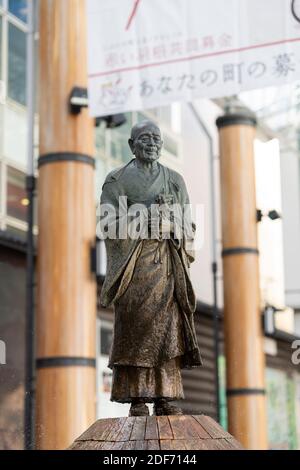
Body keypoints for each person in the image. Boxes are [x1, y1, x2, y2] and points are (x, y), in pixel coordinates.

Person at [99, 120, 202, 416]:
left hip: (166, 265)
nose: (153, 143)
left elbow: (189, 225)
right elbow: (108, 223)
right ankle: (136, 398)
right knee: (135, 327)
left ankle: (164, 397)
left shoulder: (174, 180)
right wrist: (143, 214)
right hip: (133, 265)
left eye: (157, 138)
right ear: (132, 145)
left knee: (167, 329)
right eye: (145, 138)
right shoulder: (116, 180)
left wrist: (171, 224)